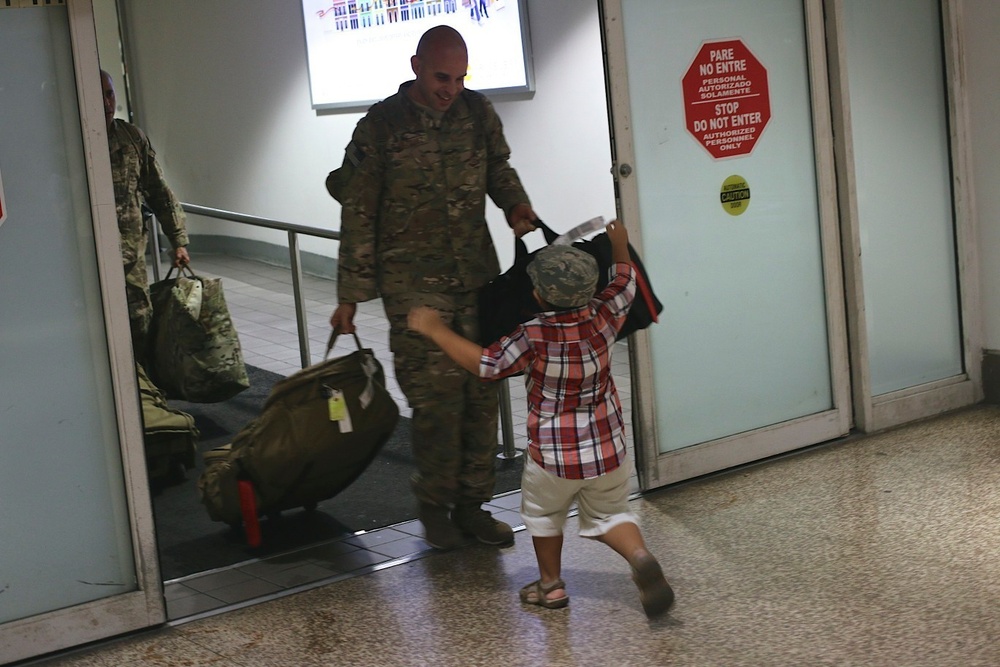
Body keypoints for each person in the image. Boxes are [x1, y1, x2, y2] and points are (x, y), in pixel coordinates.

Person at [327, 26, 538, 550]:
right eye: (442, 77)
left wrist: (514, 203)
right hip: (414, 288)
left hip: (476, 278)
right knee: (437, 400)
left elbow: (497, 168)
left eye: (460, 77)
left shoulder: (477, 113)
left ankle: (473, 505)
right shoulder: (382, 125)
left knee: (482, 394)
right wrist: (349, 295)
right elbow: (358, 210)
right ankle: (434, 505)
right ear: (417, 65)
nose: (451, 88)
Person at [408, 219, 675, 617]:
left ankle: (550, 587)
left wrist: (434, 330)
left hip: (553, 456)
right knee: (611, 514)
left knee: (544, 516)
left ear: (537, 294)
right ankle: (638, 556)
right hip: (608, 449)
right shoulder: (607, 314)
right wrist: (619, 243)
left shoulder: (532, 334)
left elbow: (486, 364)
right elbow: (624, 278)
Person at [101, 69, 191, 361]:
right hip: (87, 261)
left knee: (140, 322)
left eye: (109, 93)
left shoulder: (131, 138)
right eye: (97, 94)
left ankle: (144, 393)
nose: (105, 102)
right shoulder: (68, 142)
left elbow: (159, 191)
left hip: (130, 260)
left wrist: (177, 240)